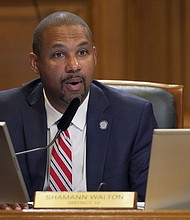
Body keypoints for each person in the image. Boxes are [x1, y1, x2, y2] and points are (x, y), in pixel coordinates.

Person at [0, 11, 157, 210]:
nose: (74, 66)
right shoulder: (6, 112)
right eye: (59, 54)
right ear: (35, 63)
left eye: (82, 53)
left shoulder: (133, 117)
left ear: (95, 56)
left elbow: (151, 204)